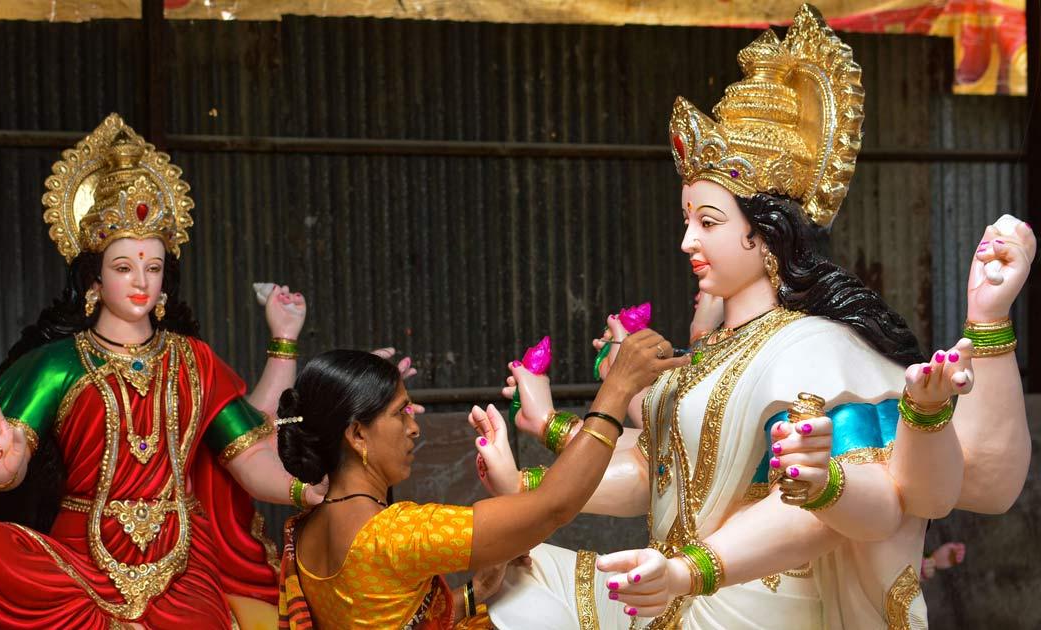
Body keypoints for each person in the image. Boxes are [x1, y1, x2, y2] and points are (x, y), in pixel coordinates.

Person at [474, 5, 1033, 628]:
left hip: (749, 602)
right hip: (673, 585)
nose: (687, 241)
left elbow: (851, 514)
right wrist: (526, 485)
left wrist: (697, 566)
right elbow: (652, 476)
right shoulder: (715, 348)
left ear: (764, 235)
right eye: (687, 220)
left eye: (708, 223)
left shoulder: (816, 354)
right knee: (518, 580)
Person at [0, 114, 321, 629]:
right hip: (79, 565)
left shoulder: (195, 360)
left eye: (153, 267)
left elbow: (250, 454)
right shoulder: (59, 363)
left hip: (181, 566)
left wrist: (307, 490)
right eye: (124, 267)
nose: (141, 282)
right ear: (94, 279)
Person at [274, 334, 684, 629]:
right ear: (357, 434)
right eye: (400, 413)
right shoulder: (393, 535)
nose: (414, 428)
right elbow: (554, 505)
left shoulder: (303, 530)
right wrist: (616, 390)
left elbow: (394, 620)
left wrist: (478, 590)